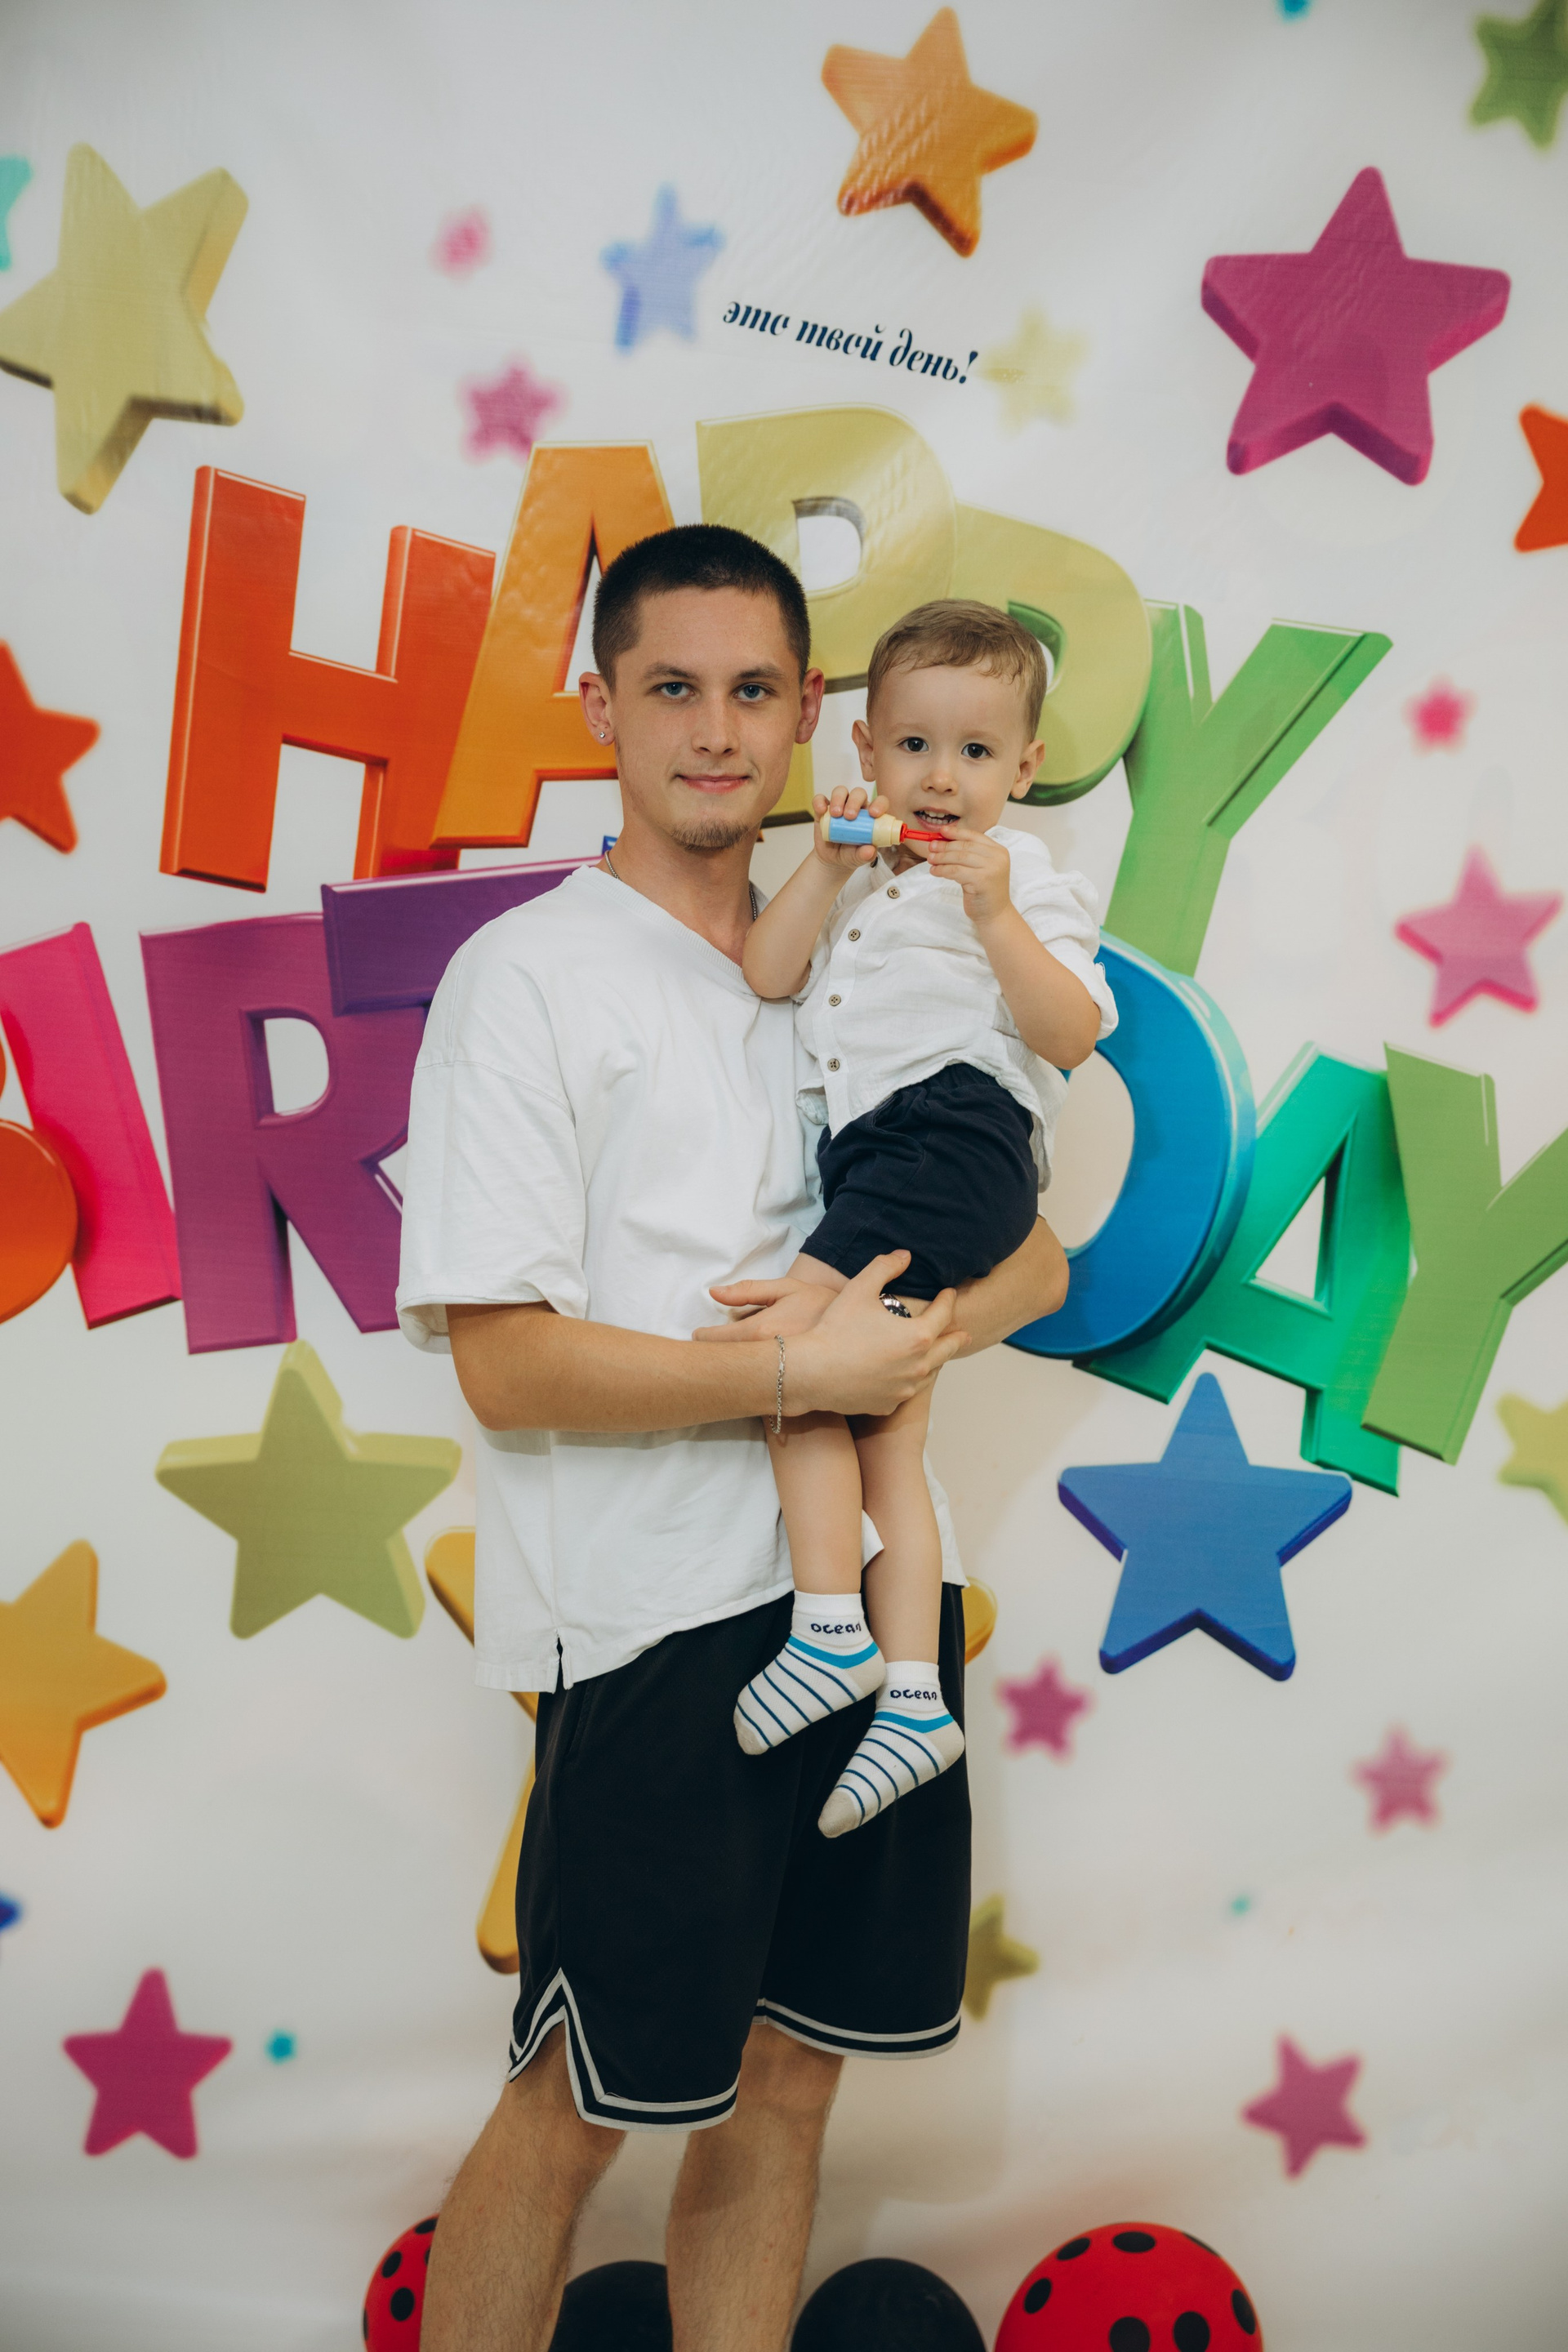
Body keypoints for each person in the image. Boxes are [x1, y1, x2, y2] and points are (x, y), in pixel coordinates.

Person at [395, 525, 1070, 2352]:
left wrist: (925, 1330)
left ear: (813, 715)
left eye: (754, 689)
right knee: (576, 2100)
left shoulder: (869, 938)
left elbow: (1038, 1250)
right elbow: (507, 1366)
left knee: (788, 2089)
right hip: (651, 1628)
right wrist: (805, 1374)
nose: (715, 730)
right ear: (600, 707)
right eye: (673, 688)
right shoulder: (531, 977)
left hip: (868, 1614)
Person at [732, 601, 1116, 1841]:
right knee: (885, 1418)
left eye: (976, 752)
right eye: (912, 747)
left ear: (1025, 769)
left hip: (953, 1136)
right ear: (864, 749)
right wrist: (824, 863)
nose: (941, 779)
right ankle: (911, 1699)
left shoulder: (1030, 883)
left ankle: (827, 1627)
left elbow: (1071, 1035)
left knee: (786, 1360)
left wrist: (997, 915)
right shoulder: (857, 882)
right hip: (875, 1160)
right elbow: (768, 972)